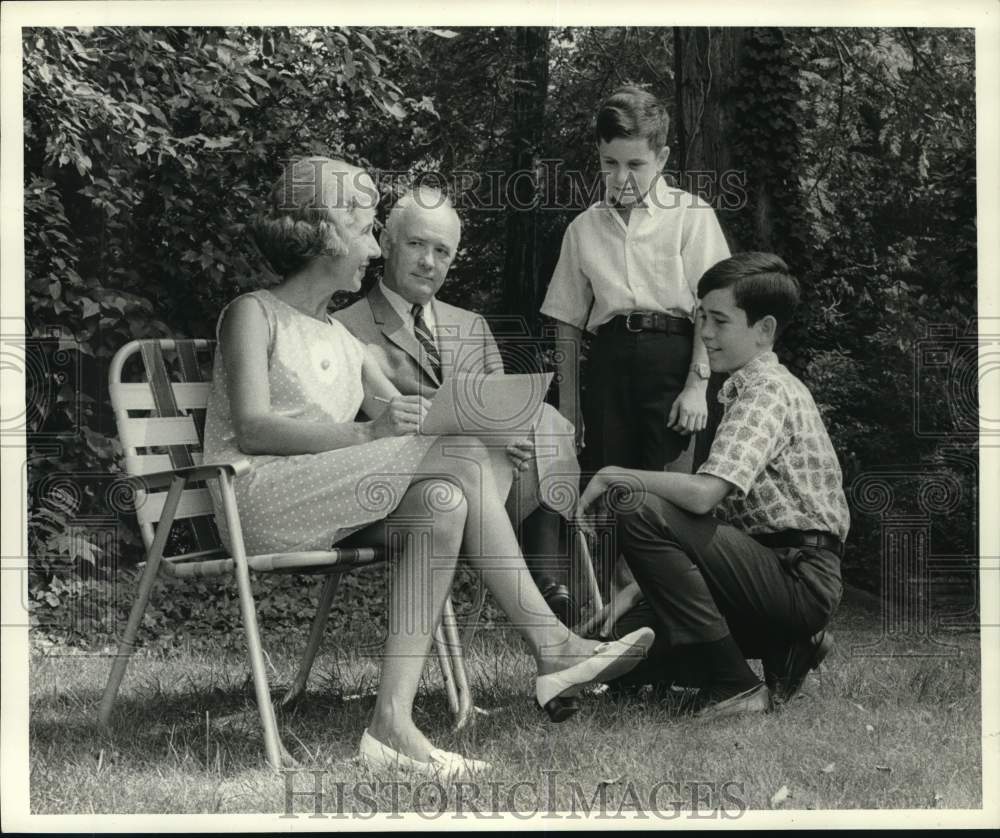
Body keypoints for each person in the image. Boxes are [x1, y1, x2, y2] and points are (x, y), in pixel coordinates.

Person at [202, 156, 654, 782]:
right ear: (322, 234)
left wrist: (445, 418)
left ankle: (391, 725)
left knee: (442, 503)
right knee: (460, 461)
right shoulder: (251, 313)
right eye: (364, 229)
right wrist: (370, 430)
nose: (372, 245)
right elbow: (253, 426)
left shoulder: (344, 339)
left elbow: (410, 419)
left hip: (324, 502)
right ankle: (553, 646)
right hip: (252, 497)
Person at [576, 252, 850, 718]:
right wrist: (634, 591)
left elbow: (703, 497)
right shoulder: (741, 388)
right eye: (702, 318)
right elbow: (704, 531)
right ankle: (789, 647)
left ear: (764, 330)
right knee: (610, 651)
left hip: (797, 576)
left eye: (719, 321)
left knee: (637, 505)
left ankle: (735, 686)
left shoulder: (766, 390)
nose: (704, 334)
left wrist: (613, 474)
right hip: (762, 573)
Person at [334, 187, 582, 625]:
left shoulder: (472, 325)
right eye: (416, 244)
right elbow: (356, 430)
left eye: (442, 251)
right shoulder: (345, 328)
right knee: (544, 422)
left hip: (498, 485)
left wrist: (515, 438)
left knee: (543, 422)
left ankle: (547, 578)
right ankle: (549, 584)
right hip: (407, 492)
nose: (429, 262)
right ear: (386, 244)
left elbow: (503, 411)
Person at [541, 85, 731, 477]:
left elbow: (713, 306)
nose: (620, 177)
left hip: (674, 361)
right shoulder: (583, 228)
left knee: (668, 494)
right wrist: (570, 408)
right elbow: (566, 322)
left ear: (660, 159)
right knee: (609, 489)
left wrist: (697, 385)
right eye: (609, 163)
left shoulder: (690, 215)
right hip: (608, 366)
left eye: (635, 165)